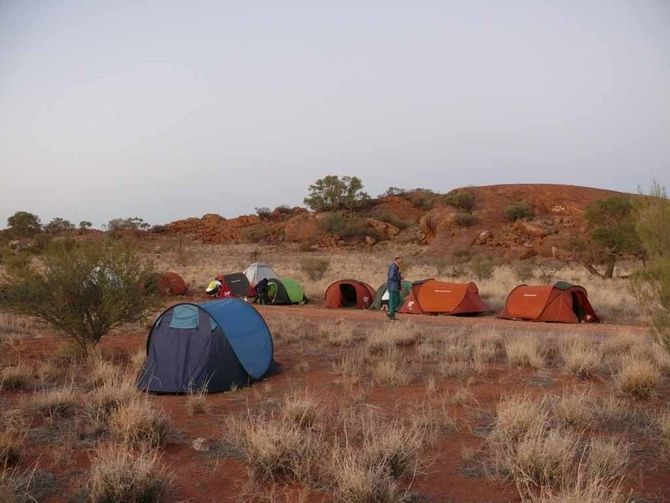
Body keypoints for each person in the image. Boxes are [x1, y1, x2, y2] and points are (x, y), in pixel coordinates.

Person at [386, 256, 403, 320]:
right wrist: (400, 278)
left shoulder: (397, 267)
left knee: (397, 301)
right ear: (397, 259)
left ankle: (390, 313)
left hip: (396, 287)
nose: (401, 261)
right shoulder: (393, 266)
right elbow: (391, 277)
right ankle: (391, 315)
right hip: (393, 287)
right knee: (393, 301)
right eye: (400, 259)